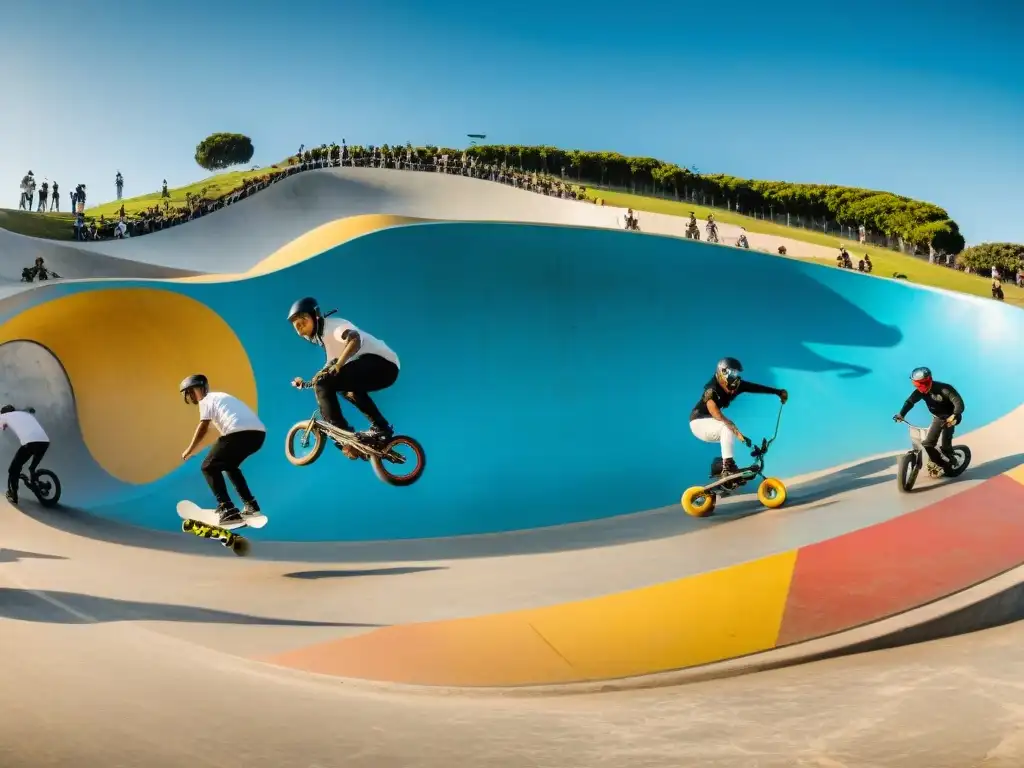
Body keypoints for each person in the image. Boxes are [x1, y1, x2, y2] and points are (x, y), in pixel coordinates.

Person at [286, 297, 400, 454]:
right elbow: (322, 376)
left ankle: (341, 433)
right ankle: (381, 429)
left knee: (326, 383)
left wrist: (339, 365)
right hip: (385, 371)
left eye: (303, 322)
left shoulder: (333, 326)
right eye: (297, 327)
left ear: (315, 316)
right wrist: (305, 383)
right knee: (344, 388)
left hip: (381, 363)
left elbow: (355, 339)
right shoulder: (328, 345)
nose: (300, 329)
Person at [179, 374, 266, 527]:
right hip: (257, 435)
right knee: (229, 466)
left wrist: (189, 449)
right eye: (190, 393)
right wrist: (197, 450)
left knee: (208, 467)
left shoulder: (206, 400)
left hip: (238, 433)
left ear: (201, 390)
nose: (193, 395)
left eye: (193, 391)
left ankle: (228, 509)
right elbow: (212, 434)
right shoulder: (219, 398)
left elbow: (203, 428)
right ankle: (251, 505)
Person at [689, 358, 788, 477]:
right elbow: (713, 411)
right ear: (723, 372)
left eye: (736, 373)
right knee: (727, 427)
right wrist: (732, 427)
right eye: (731, 373)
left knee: (728, 432)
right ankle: (728, 467)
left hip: (710, 423)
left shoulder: (736, 385)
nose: (734, 376)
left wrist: (777, 392)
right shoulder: (712, 388)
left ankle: (720, 469)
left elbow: (755, 387)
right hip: (698, 423)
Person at [892, 366, 964, 473]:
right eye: (917, 384)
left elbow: (959, 403)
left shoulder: (944, 389)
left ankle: (949, 461)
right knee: (927, 444)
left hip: (951, 417)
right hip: (938, 418)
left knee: (945, 444)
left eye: (922, 384)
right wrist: (901, 414)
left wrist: (954, 415)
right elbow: (910, 402)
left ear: (929, 380)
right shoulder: (920, 392)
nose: (920, 387)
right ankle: (939, 463)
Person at [0, 405, 50, 505]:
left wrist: (3, 425)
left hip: (31, 443)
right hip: (45, 442)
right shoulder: (25, 413)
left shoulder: (4, 416)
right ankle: (39, 484)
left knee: (14, 469)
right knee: (32, 468)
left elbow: (2, 426)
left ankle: (13, 495)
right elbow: (31, 409)